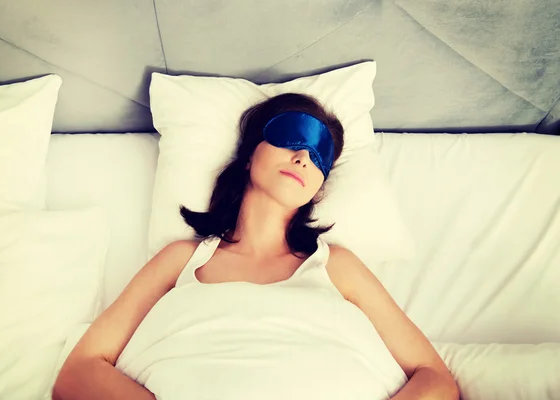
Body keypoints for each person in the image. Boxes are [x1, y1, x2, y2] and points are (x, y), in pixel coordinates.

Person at [52, 93, 459, 400]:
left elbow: (435, 378)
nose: (304, 157)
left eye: (320, 158)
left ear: (319, 189)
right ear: (249, 156)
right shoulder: (180, 259)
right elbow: (78, 374)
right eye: (290, 138)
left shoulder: (338, 266)